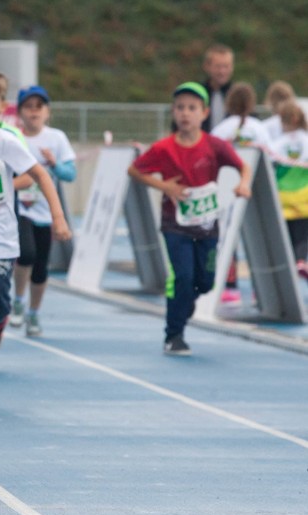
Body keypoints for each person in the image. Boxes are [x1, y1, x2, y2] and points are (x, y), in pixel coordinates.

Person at [0, 68, 71, 406]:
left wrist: (59, 217)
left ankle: (2, 319)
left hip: (1, 241)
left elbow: (41, 176)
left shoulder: (3, 141)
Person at [128, 82, 251, 355]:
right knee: (183, 276)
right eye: (180, 108)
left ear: (204, 113)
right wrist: (166, 187)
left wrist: (244, 184)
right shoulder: (163, 148)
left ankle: (187, 302)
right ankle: (174, 335)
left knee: (205, 282)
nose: (185, 113)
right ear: (173, 112)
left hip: (207, 225)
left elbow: (244, 166)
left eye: (192, 108)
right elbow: (134, 170)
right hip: (176, 225)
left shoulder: (214, 146)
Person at [10, 85, 78, 335]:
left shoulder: (56, 138)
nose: (34, 112)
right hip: (21, 208)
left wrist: (54, 164)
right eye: (29, 107)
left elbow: (70, 174)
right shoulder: (14, 137)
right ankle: (18, 300)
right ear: (20, 112)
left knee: (40, 266)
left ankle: (34, 313)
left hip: (45, 212)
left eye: (39, 107)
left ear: (47, 112)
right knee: (25, 253)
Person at [211, 82, 271, 304]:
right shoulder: (259, 128)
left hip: (229, 190)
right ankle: (260, 287)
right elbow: (270, 157)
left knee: (229, 239)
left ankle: (230, 286)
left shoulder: (222, 128)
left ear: (229, 103)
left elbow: (211, 155)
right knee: (258, 240)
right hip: (255, 190)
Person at [269, 100, 308, 281]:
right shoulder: (306, 139)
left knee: (286, 237)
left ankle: (288, 269)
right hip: (303, 196)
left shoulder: (279, 143)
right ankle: (300, 261)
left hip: (282, 196)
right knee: (302, 235)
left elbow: (268, 161)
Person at [201, 44, 235, 132]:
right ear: (207, 66)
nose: (222, 71)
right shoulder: (198, 94)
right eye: (218, 66)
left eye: (226, 66)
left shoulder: (237, 94)